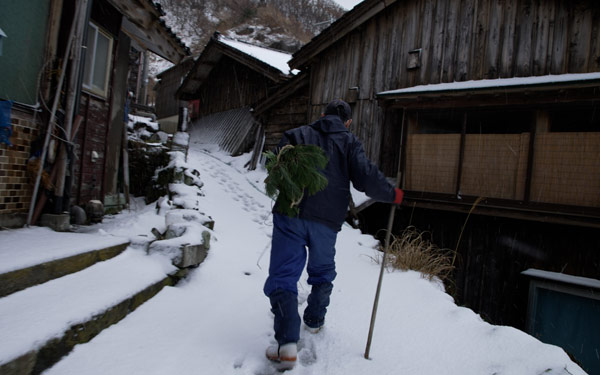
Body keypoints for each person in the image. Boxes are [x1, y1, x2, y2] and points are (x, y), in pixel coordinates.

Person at [264, 99, 404, 370]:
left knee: (283, 276)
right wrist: (393, 194)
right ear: (347, 122)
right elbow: (366, 178)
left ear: (322, 115)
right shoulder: (350, 143)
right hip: (326, 221)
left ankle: (287, 344)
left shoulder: (298, 134)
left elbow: (274, 164)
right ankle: (315, 320)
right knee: (322, 269)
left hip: (289, 214)